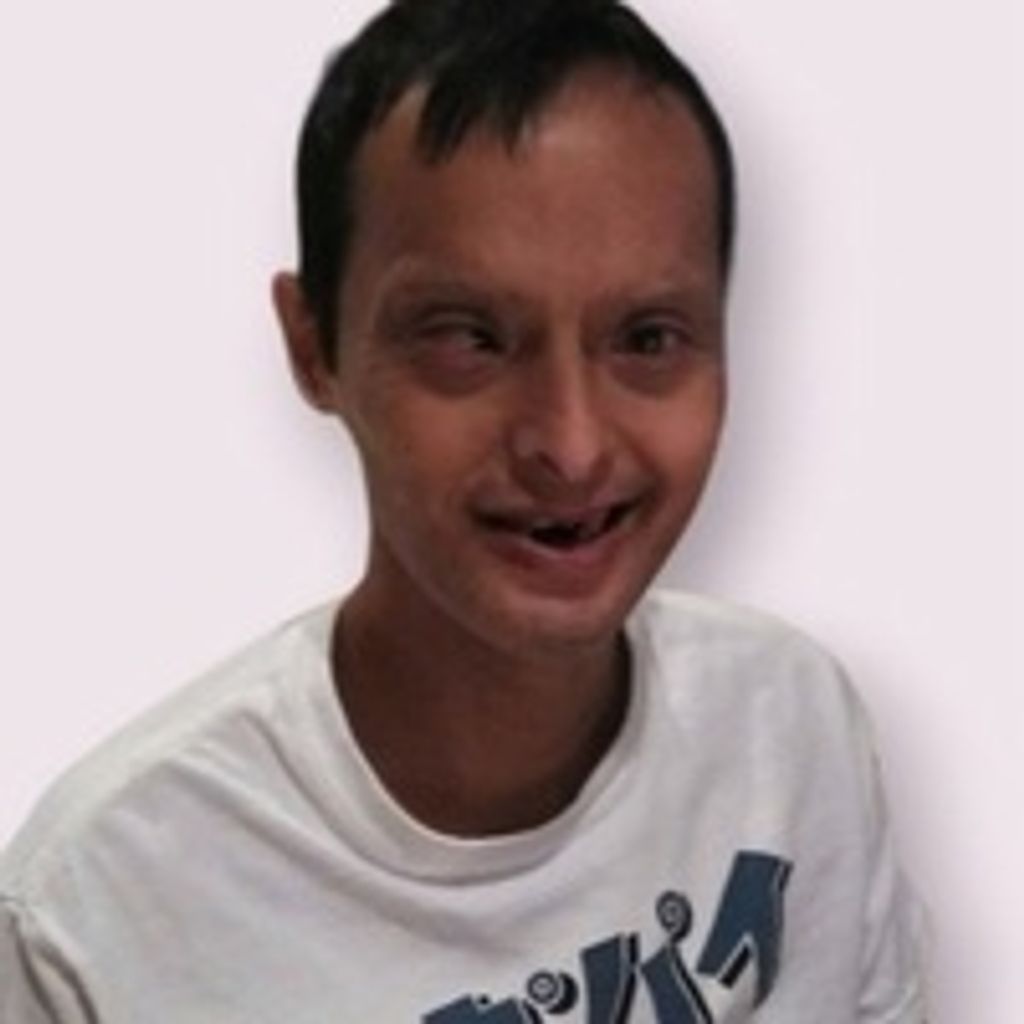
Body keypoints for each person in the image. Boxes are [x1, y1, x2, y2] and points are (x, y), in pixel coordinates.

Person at [0, 0, 928, 1020]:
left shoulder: (790, 728)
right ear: (314, 346)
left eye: (648, 338)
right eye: (466, 338)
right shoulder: (100, 910)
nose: (572, 445)